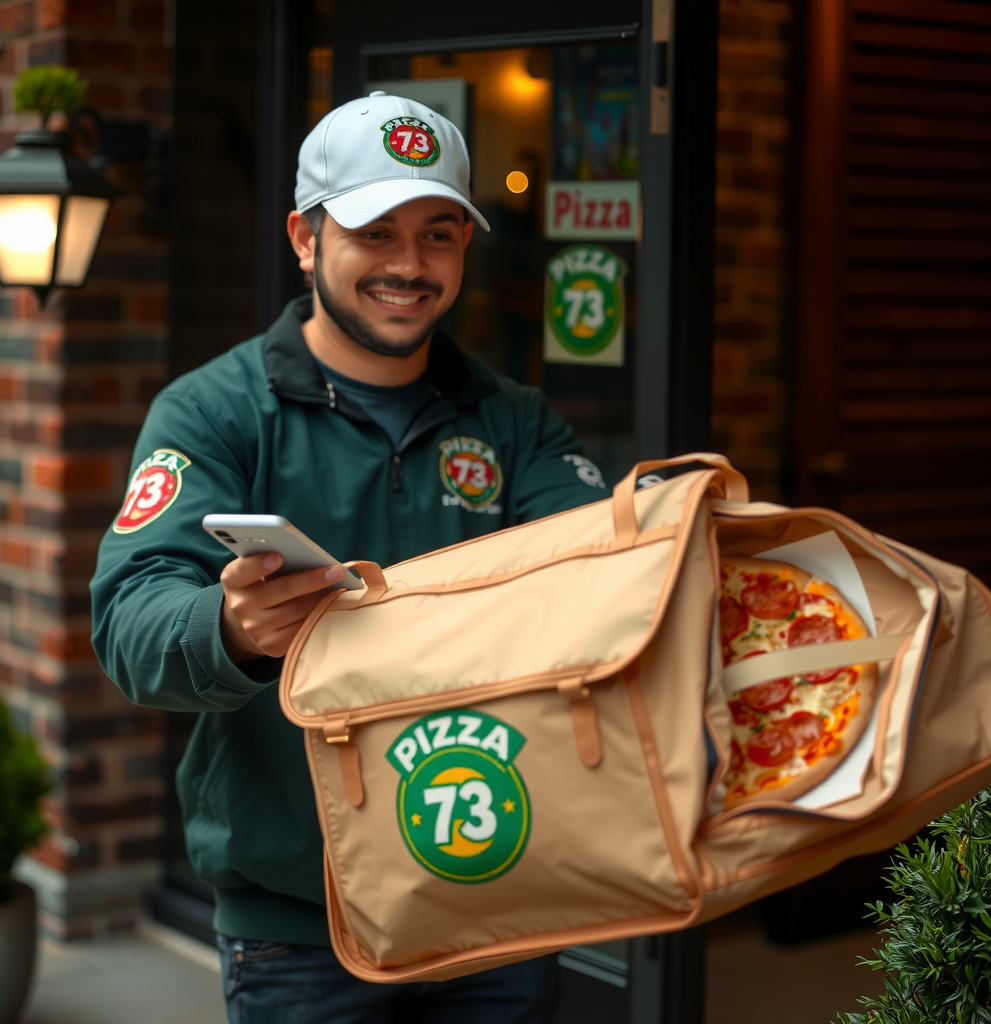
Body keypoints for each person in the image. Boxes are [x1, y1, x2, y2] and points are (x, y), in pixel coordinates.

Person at [90, 93, 609, 1023]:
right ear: (304, 236)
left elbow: (602, 572)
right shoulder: (212, 413)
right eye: (376, 232)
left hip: (499, 894)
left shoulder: (517, 422)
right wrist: (230, 626)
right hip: (299, 922)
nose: (410, 266)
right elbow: (130, 619)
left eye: (439, 234)